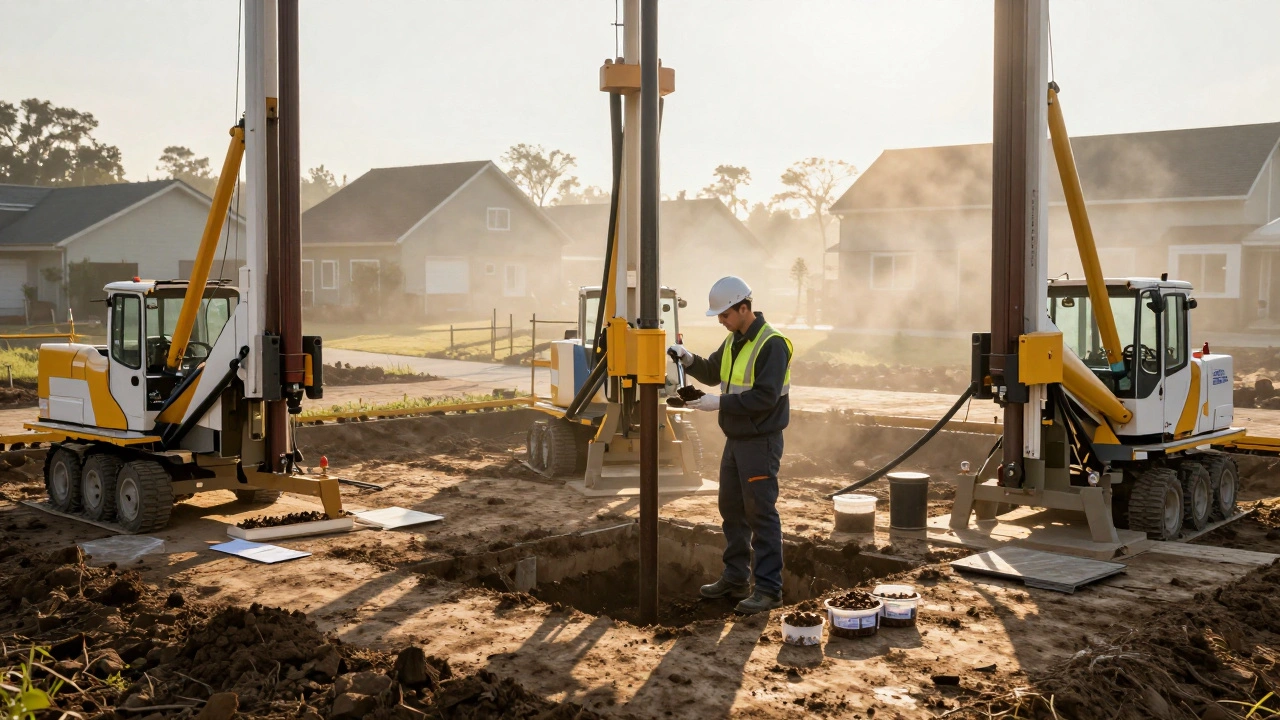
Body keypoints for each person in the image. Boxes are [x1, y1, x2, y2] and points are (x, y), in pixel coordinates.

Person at [668, 276, 792, 614]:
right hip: (737, 440)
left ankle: (768, 590)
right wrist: (690, 359)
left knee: (761, 514)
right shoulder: (735, 340)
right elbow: (713, 371)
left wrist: (718, 404)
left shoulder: (772, 344)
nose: (721, 321)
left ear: (744, 308)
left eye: (724, 315)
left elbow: (765, 397)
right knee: (732, 511)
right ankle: (736, 578)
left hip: (760, 441)